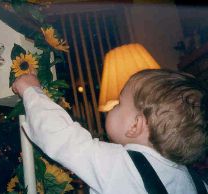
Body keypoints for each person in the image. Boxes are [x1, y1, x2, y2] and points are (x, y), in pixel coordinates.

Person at [12, 69, 208, 194]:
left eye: (119, 103)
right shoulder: (198, 184)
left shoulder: (121, 165)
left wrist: (31, 91)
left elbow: (60, 136)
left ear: (134, 125)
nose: (112, 107)